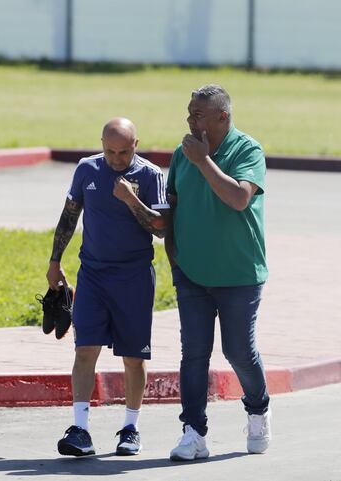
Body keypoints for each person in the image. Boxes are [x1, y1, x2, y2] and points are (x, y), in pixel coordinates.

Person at [46, 117, 169, 457]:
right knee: (85, 349)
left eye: (124, 152)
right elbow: (70, 215)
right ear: (101, 144)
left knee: (133, 355)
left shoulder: (150, 175)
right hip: (93, 276)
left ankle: (131, 428)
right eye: (110, 151)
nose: (116, 159)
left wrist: (131, 199)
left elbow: (160, 228)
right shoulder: (87, 170)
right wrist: (55, 262)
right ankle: (80, 430)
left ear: (136, 145)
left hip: (133, 278)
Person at [165, 84, 270, 461]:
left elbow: (240, 199)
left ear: (222, 118)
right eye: (189, 113)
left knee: (238, 351)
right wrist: (172, 251)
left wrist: (204, 162)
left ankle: (258, 409)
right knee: (193, 354)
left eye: (198, 115)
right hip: (192, 272)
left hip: (239, 273)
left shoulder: (247, 149)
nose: (190, 120)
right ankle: (193, 432)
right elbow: (172, 203)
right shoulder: (183, 153)